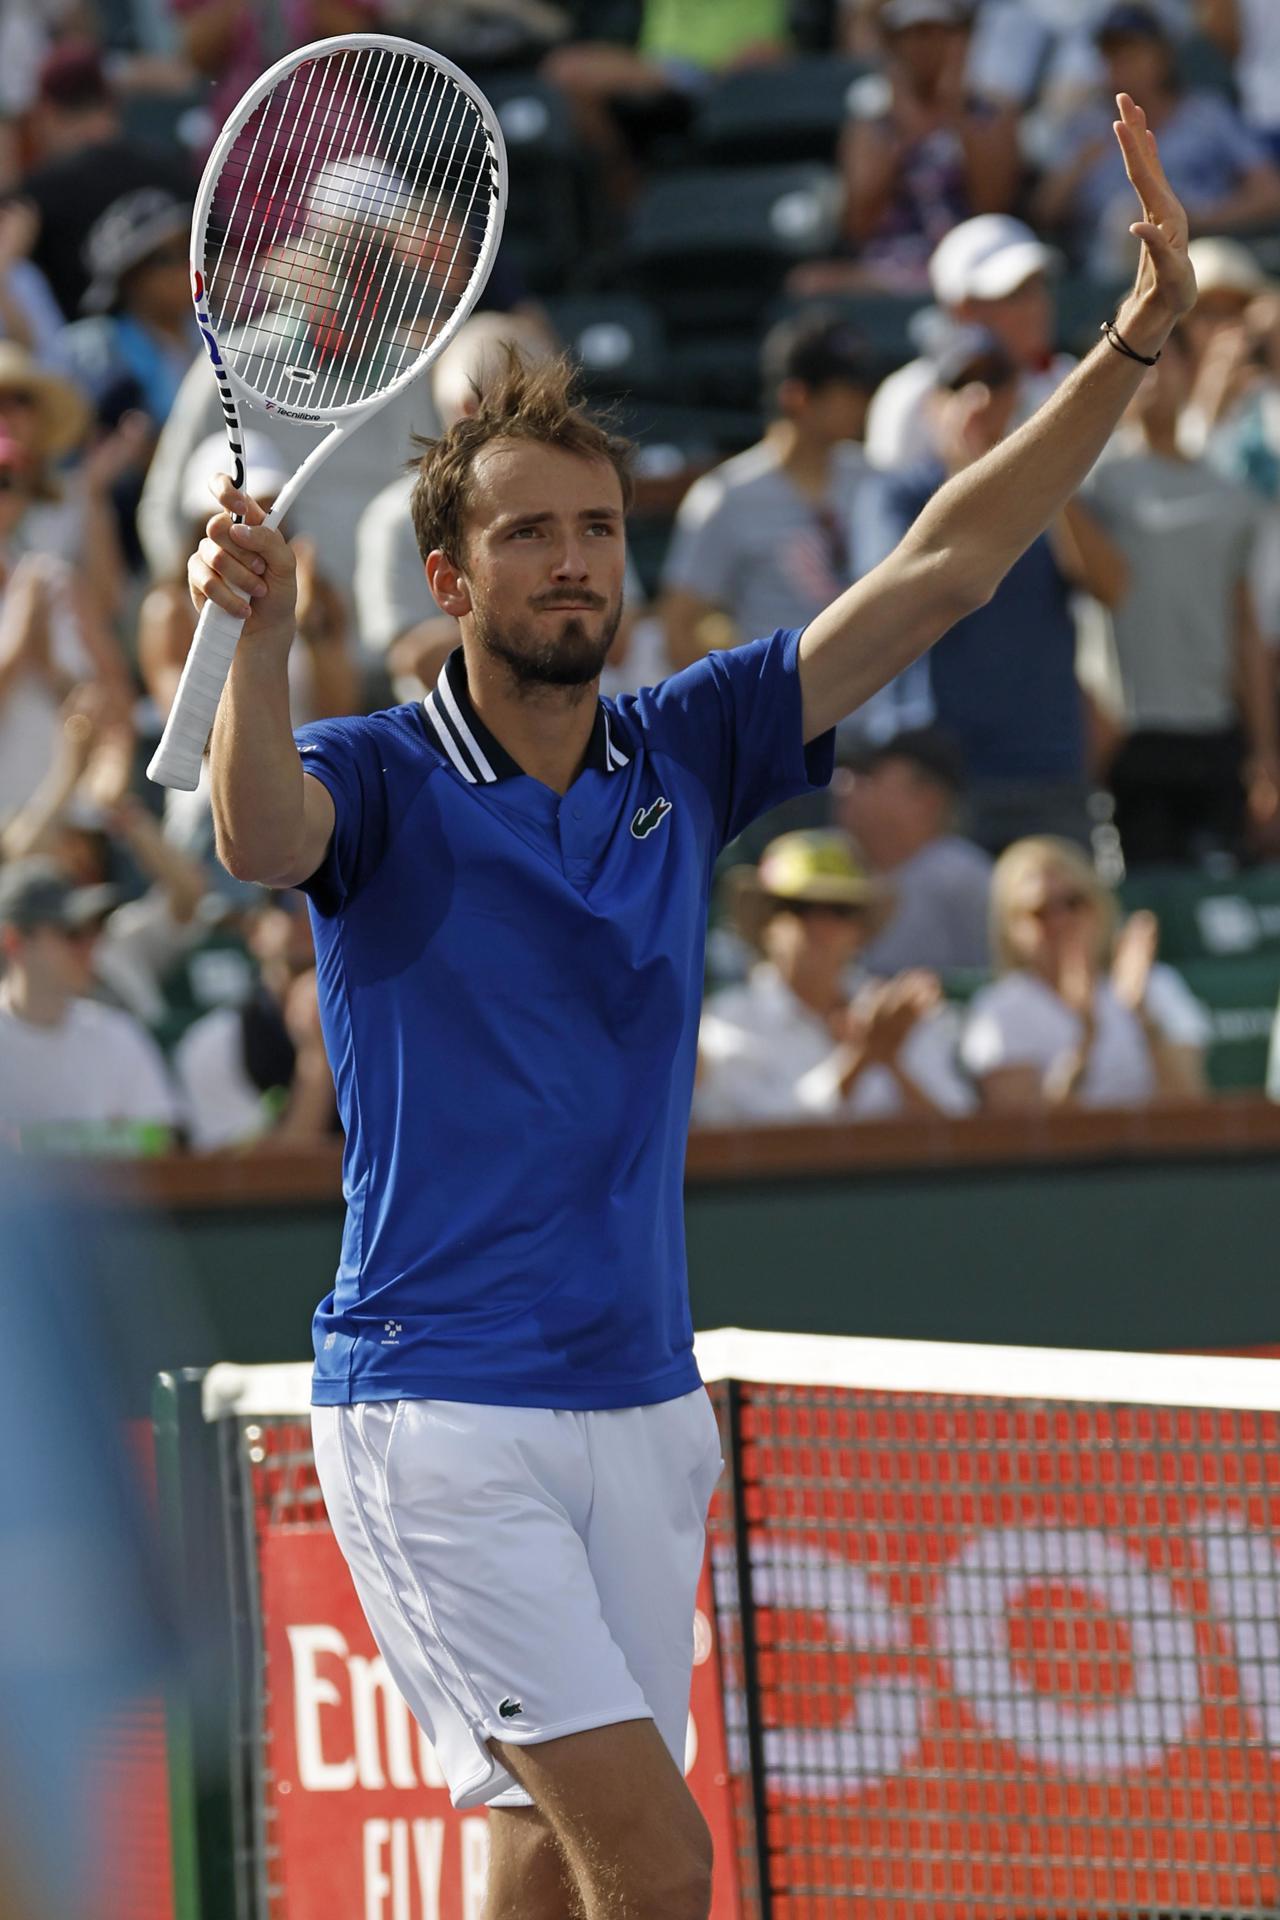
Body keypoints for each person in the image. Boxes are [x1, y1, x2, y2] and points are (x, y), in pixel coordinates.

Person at [188, 94, 1194, 1919]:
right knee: (663, 1864)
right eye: (529, 536)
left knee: (541, 1856)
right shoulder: (379, 774)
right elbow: (261, 834)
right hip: (442, 1413)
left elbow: (947, 564)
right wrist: (255, 646)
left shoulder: (692, 741)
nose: (576, 560)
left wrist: (1130, 342)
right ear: (451, 578)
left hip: (640, 1403)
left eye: (596, 529)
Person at [852, 325, 1128, 851]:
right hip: (937, 775)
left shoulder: (1051, 498)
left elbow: (1112, 587)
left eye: (996, 383)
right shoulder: (895, 496)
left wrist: (1047, 470)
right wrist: (981, 474)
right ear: (934, 406)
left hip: (1044, 766)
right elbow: (910, 594)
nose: (980, 400)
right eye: (961, 385)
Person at [1079, 326, 1278, 866]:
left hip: (1215, 734)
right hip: (1131, 741)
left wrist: (1263, 753)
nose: (1150, 377)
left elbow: (1246, 627)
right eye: (1137, 363)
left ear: (1190, 370)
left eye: (1163, 360)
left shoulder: (1232, 496)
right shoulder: (1090, 485)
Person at [694, 828, 973, 1123]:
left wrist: (891, 1061)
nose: (821, 926)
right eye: (799, 908)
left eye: (840, 910)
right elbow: (770, 1139)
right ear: (766, 923)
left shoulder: (899, 1013)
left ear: (860, 929)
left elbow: (960, 1126)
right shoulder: (725, 1026)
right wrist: (861, 1058)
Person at [661, 311, 873, 672]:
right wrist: (740, 714)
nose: (862, 403)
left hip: (879, 716)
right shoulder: (728, 495)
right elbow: (678, 625)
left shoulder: (874, 479)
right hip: (785, 718)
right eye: (846, 391)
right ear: (797, 397)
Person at [1034, 2, 1280, 279]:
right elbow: (1045, 211)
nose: (1121, 66)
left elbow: (1270, 193)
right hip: (1106, 271)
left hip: (1199, 256)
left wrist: (1198, 220)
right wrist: (1082, 162)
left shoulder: (1206, 114)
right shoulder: (1088, 125)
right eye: (1112, 57)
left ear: (1162, 56)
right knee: (1125, 217)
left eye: (1133, 54)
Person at [790, 0, 1019, 298]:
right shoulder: (872, 119)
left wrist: (956, 111)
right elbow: (859, 225)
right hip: (891, 266)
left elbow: (993, 206)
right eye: (913, 34)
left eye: (939, 32)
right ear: (894, 44)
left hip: (974, 262)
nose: (925, 46)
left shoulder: (991, 113)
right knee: (807, 283)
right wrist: (899, 128)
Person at [961, 835, 1209, 1106]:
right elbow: (1029, 1135)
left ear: (1099, 905)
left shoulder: (1156, 984)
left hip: (1155, 1148)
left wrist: (1141, 1013)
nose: (1061, 921)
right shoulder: (999, 1009)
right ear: (1010, 928)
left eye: (1073, 902)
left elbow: (1191, 1104)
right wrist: (1084, 1040)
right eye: (1040, 911)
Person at [863, 210, 1073, 471]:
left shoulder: (1068, 378)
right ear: (963, 311)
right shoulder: (907, 397)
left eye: (1038, 286)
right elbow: (891, 503)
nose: (1036, 306)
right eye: (1015, 293)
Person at [0, 858, 181, 1153]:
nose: (90, 947)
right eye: (71, 934)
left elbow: (162, 1143)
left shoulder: (118, 1034)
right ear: (13, 942)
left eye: (92, 931)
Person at [17, 40, 191, 320]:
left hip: (99, 351)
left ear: (46, 114)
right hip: (198, 340)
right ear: (111, 101)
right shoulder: (165, 165)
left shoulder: (31, 200)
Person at [833, 726, 993, 973]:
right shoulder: (826, 859)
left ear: (926, 800)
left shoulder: (964, 879)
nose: (847, 786)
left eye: (870, 776)